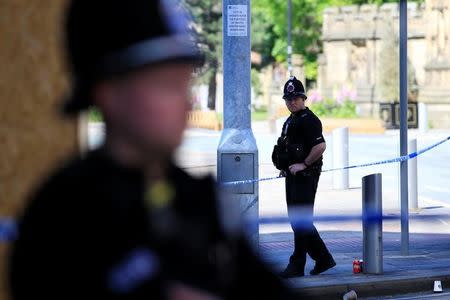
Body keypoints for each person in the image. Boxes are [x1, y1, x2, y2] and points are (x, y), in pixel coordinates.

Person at [9, 1, 302, 299]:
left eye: (184, 84)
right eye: (167, 85)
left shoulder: (201, 200)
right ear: (109, 94)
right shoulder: (61, 216)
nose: (186, 104)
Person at [272, 76, 335, 278]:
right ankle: (323, 259)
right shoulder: (291, 120)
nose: (292, 101)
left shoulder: (310, 120)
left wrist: (304, 164)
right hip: (294, 175)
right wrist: (287, 165)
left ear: (303, 98)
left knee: (300, 220)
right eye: (289, 99)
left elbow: (320, 146)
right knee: (297, 220)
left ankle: (298, 264)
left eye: (296, 98)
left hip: (306, 175)